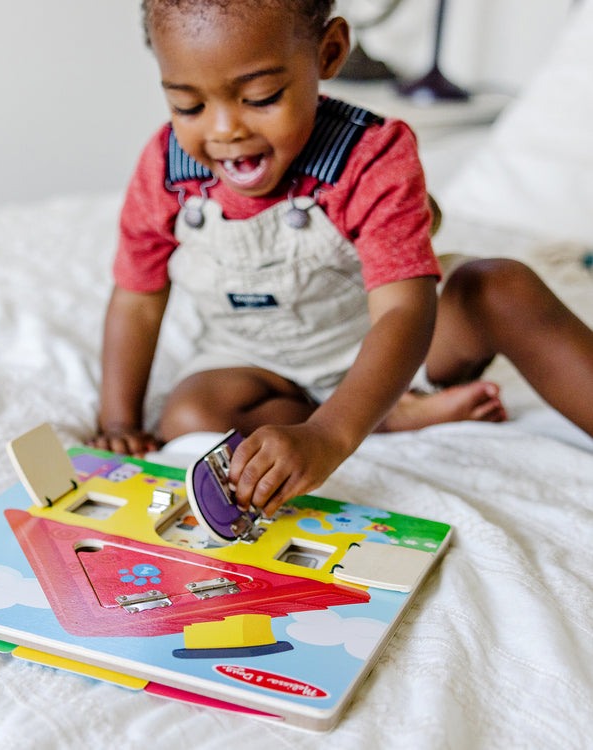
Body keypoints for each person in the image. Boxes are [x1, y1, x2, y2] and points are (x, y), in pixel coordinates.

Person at [94, 0, 593, 517]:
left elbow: (404, 311)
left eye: (261, 97)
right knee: (190, 415)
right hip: (258, 356)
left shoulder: (370, 156)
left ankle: (375, 404)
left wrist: (328, 434)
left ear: (328, 52)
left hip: (390, 340)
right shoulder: (167, 169)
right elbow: (137, 300)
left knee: (500, 287)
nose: (224, 130)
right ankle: (389, 416)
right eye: (189, 106)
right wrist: (117, 423)